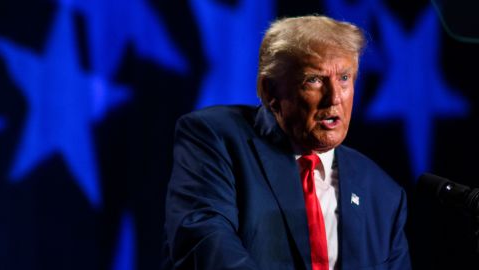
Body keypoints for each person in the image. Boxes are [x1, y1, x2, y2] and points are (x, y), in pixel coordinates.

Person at [163, 15, 411, 270]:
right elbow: (206, 241)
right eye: (314, 79)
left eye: (345, 78)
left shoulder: (382, 193)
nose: (334, 98)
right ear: (271, 92)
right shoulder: (216, 138)